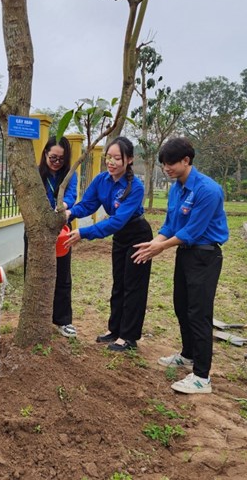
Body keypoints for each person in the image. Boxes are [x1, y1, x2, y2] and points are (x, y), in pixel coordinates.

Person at [132, 137, 228, 395]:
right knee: (182, 307)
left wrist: (160, 247)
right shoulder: (177, 188)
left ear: (187, 160)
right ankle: (188, 355)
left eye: (171, 163)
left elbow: (193, 231)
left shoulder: (208, 190)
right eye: (164, 164)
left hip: (205, 256)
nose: (166, 168)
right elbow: (171, 225)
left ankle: (202, 376)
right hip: (185, 254)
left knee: (199, 313)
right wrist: (153, 243)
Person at [64, 137, 153, 351]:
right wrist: (69, 213)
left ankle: (128, 337)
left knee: (133, 286)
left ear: (129, 160)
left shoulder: (135, 187)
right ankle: (114, 330)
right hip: (121, 236)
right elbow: (88, 204)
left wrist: (84, 233)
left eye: (117, 158)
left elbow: (117, 221)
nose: (111, 162)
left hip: (137, 235)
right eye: (108, 157)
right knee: (119, 283)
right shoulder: (102, 180)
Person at [23, 136, 78, 337]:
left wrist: (61, 207)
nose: (56, 162)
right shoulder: (36, 174)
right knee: (34, 271)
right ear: (45, 153)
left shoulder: (70, 175)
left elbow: (71, 197)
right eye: (53, 157)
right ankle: (34, 317)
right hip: (36, 228)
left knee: (62, 273)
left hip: (61, 228)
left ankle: (63, 320)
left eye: (61, 159)